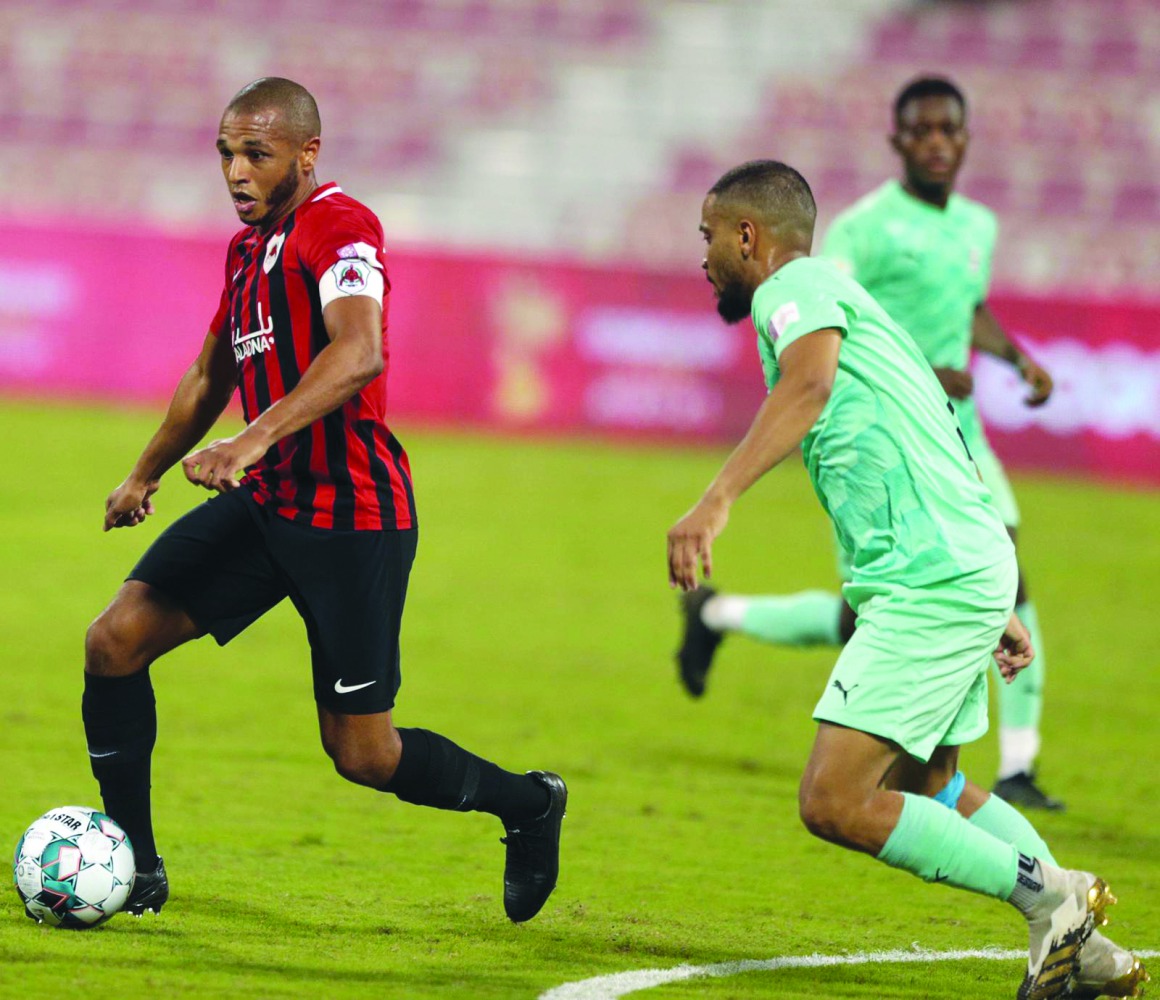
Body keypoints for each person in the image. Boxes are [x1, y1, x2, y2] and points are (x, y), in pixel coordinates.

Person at [82, 77, 565, 924]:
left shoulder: (341, 227)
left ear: (307, 155)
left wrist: (251, 438)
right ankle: (131, 869)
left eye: (256, 154)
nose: (235, 170)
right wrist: (144, 472)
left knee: (363, 753)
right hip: (269, 503)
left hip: (352, 517)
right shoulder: (248, 251)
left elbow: (361, 352)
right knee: (115, 641)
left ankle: (528, 805)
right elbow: (209, 376)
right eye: (226, 152)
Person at [668, 159, 1145, 999]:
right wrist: (987, 585)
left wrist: (716, 500)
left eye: (708, 235)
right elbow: (928, 412)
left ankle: (1053, 903)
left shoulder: (798, 286)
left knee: (834, 800)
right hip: (948, 566)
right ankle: (1089, 948)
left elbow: (810, 386)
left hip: (934, 577)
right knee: (932, 783)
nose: (701, 255)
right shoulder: (848, 304)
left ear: (749, 235)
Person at [677, 77, 1062, 812]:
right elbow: (830, 321)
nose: (937, 144)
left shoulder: (978, 226)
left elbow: (967, 305)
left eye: (950, 130)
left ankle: (1018, 764)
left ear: (967, 138)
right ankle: (719, 616)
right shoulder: (862, 230)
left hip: (951, 438)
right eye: (921, 131)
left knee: (1000, 584)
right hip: (883, 446)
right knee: (880, 617)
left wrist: (1013, 357)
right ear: (897, 141)